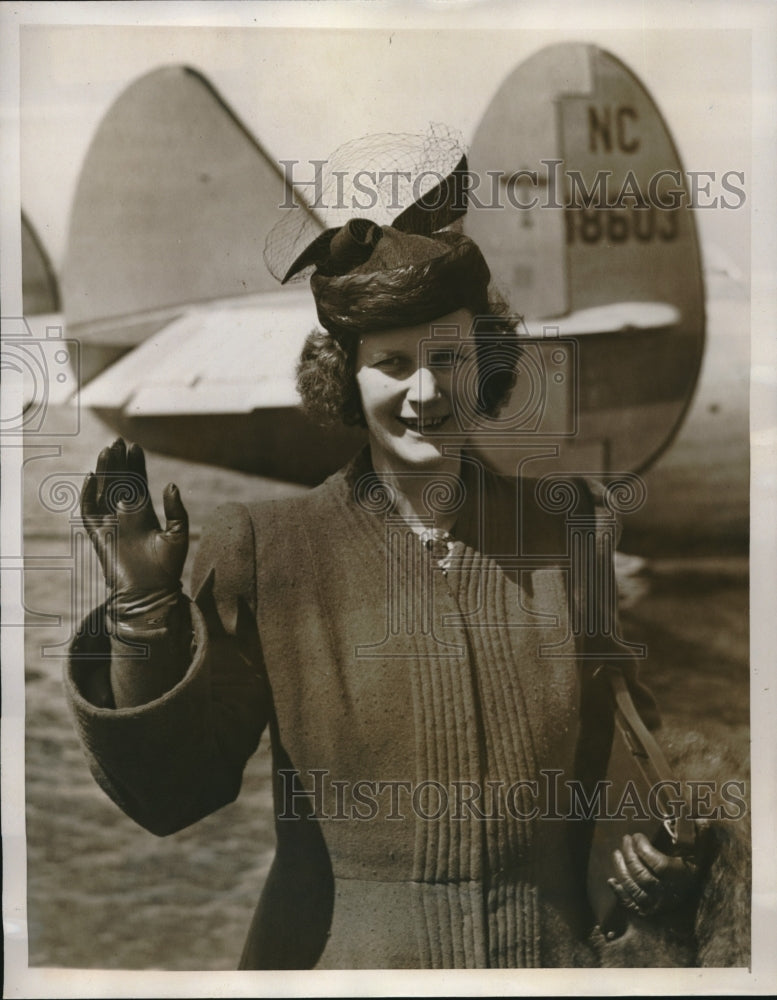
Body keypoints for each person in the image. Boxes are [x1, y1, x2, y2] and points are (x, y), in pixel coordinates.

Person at [66, 216, 709, 969]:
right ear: (346, 374)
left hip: (550, 967)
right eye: (393, 364)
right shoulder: (266, 548)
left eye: (449, 357)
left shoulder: (570, 531)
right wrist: (143, 618)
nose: (426, 392)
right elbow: (170, 795)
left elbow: (626, 755)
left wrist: (662, 859)